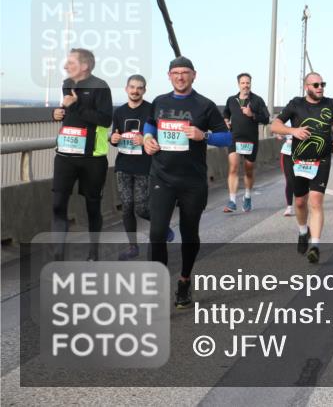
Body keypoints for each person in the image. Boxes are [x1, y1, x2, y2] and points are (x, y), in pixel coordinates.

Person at [143, 57, 231, 308]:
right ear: (169, 75)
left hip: (192, 181)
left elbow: (228, 138)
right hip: (161, 176)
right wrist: (148, 138)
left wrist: (205, 135)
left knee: (189, 234)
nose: (180, 77)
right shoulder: (160, 101)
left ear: (194, 75)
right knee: (157, 233)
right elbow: (150, 123)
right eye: (175, 73)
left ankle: (184, 281)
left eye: (185, 73)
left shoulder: (205, 105)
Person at [271, 72, 333, 264]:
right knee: (300, 202)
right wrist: (292, 130)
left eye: (322, 84)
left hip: (321, 159)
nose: (320, 87)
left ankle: (315, 246)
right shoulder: (296, 104)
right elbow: (275, 125)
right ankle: (303, 232)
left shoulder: (330, 104)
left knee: (316, 201)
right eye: (316, 84)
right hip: (298, 161)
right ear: (307, 87)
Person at [51, 48, 113, 260]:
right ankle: (58, 256)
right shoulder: (67, 84)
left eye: (70, 62)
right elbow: (68, 113)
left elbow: (105, 120)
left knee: (92, 207)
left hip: (92, 159)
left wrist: (75, 106)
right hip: (65, 155)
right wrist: (58, 112)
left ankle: (93, 252)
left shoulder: (100, 87)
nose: (66, 66)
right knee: (58, 204)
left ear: (84, 66)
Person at [110, 74, 168, 259]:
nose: (135, 91)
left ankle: (162, 227)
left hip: (145, 165)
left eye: (139, 88)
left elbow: (161, 137)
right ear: (126, 89)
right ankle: (132, 247)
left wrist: (145, 140)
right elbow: (114, 137)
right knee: (127, 206)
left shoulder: (152, 110)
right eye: (132, 87)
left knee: (141, 207)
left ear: (144, 90)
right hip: (123, 165)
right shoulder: (119, 112)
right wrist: (113, 139)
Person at [222, 73, 269, 213]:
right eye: (243, 83)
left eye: (247, 83)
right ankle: (232, 201)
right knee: (233, 168)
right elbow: (225, 113)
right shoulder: (231, 100)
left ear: (250, 84)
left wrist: (252, 114)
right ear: (238, 84)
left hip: (250, 140)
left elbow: (266, 119)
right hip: (234, 138)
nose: (245, 85)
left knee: (248, 171)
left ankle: (247, 197)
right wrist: (226, 120)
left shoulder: (257, 100)